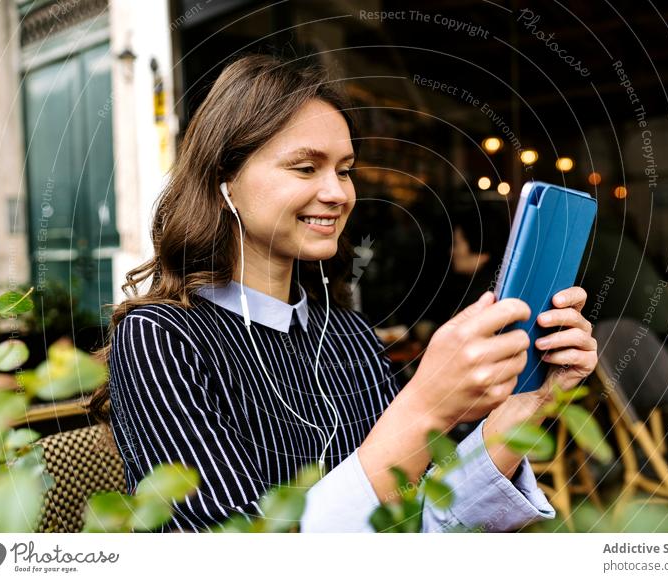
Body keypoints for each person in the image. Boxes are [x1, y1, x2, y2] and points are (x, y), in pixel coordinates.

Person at [88, 54, 598, 533]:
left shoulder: (346, 332)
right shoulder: (160, 340)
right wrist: (424, 407)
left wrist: (528, 405)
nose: (337, 192)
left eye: (345, 169)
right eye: (305, 168)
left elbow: (419, 521)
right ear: (224, 179)